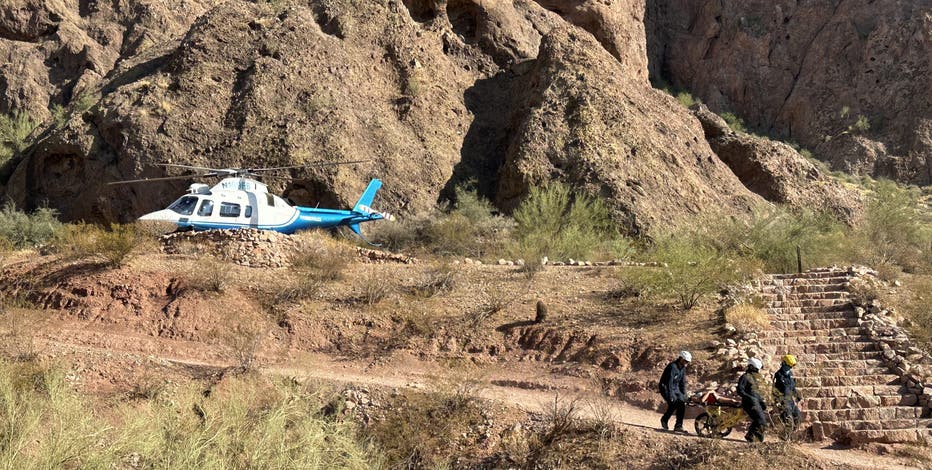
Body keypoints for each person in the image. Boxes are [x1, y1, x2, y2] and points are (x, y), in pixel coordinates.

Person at [659, 350, 691, 434]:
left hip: (675, 388)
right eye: (685, 361)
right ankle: (664, 419)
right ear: (681, 359)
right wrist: (671, 396)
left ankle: (678, 426)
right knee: (673, 403)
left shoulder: (683, 368)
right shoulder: (672, 367)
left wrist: (684, 394)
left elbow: (682, 382)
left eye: (687, 362)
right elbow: (668, 382)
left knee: (681, 403)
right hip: (665, 387)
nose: (686, 363)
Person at [738, 357, 768, 442]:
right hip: (748, 403)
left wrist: (762, 402)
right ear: (751, 367)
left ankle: (751, 437)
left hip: (755, 402)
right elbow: (740, 390)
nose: (757, 371)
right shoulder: (744, 377)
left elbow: (756, 393)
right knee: (760, 420)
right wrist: (749, 397)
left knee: (760, 420)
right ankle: (753, 438)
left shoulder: (754, 379)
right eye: (756, 369)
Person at [773, 354, 801, 427]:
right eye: (789, 366)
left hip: (790, 400)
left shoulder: (790, 374)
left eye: (791, 367)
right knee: (787, 417)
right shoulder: (778, 375)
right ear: (784, 363)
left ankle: (792, 435)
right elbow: (775, 389)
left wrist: (797, 395)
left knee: (797, 416)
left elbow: (792, 387)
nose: (790, 368)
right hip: (782, 400)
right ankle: (785, 436)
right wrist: (776, 401)